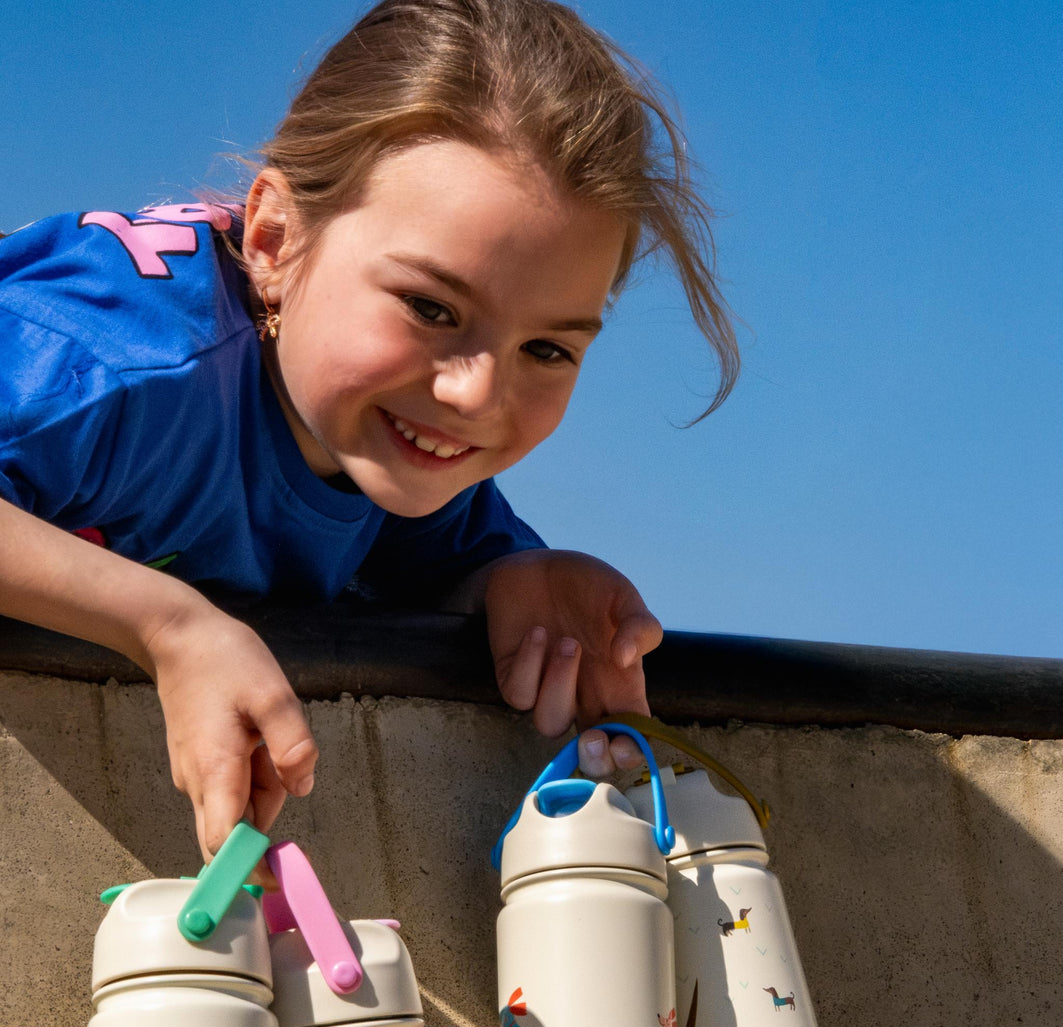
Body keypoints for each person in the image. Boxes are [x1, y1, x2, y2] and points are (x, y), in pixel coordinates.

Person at [0, 0, 738, 867]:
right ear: (275, 238)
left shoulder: (393, 451)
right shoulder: (115, 362)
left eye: (547, 347)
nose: (474, 393)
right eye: (431, 307)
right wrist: (168, 626)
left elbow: (447, 565)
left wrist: (521, 578)